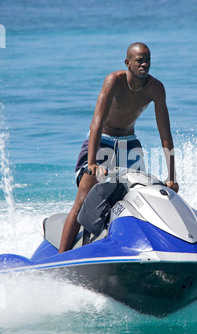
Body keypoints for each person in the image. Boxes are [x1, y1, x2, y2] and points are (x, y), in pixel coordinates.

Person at [59, 42, 179, 253]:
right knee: (83, 197)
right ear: (127, 62)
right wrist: (93, 163)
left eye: (148, 60)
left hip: (129, 143)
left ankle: (133, 246)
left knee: (139, 196)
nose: (145, 64)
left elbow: (165, 134)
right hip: (101, 140)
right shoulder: (113, 81)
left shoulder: (156, 88)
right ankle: (61, 259)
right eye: (139, 60)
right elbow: (96, 122)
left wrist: (172, 177)